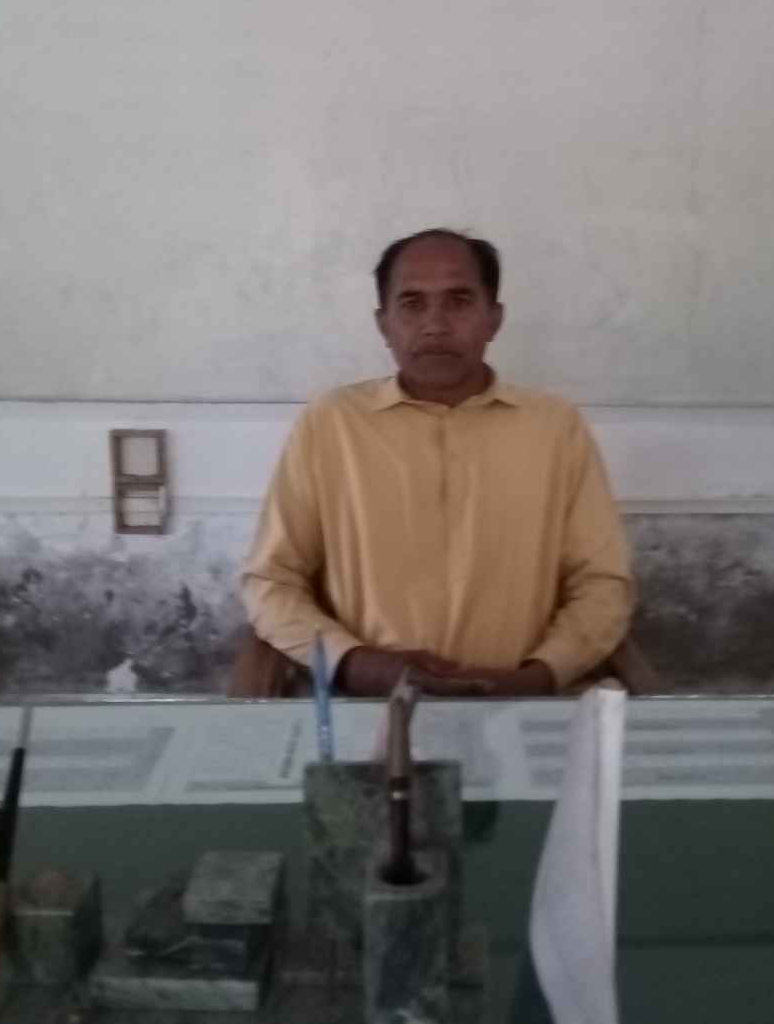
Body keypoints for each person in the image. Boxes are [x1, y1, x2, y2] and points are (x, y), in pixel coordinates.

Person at [240, 228, 634, 697]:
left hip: (520, 704)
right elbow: (272, 580)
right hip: (367, 707)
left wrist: (538, 675)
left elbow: (603, 585)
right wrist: (359, 664)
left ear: (494, 319)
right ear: (384, 324)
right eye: (412, 304)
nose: (435, 324)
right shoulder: (332, 424)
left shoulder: (555, 427)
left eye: (459, 301)